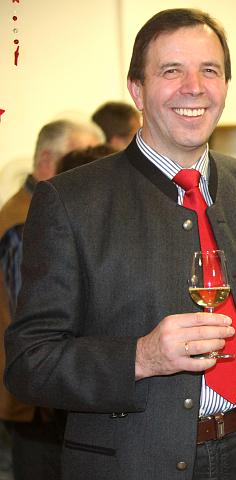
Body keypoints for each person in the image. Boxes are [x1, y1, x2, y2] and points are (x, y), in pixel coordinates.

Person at [4, 9, 236, 480]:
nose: (194, 86)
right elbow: (30, 362)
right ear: (137, 90)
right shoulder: (70, 202)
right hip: (132, 463)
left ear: (226, 86)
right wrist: (141, 356)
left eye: (209, 70)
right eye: (172, 71)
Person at [0, 119, 103, 480]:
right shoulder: (24, 220)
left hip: (52, 398)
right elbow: (34, 321)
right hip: (37, 405)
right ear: (48, 159)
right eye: (81, 161)